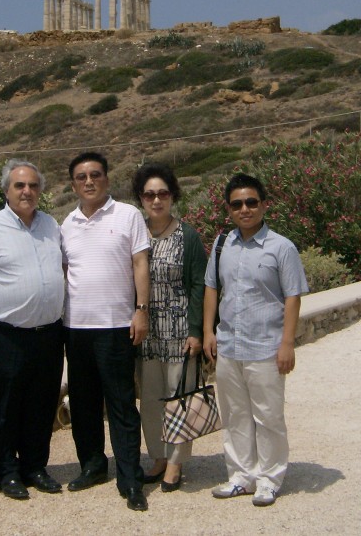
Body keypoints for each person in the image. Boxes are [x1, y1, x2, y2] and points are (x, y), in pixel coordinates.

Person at [202, 172, 309, 507]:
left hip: (265, 345)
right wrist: (208, 331)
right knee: (234, 416)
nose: (245, 209)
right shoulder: (222, 245)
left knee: (268, 416)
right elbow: (211, 289)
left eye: (251, 202)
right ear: (229, 209)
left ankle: (269, 479)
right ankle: (241, 476)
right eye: (237, 204)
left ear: (264, 204)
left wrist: (287, 343)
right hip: (229, 344)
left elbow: (293, 296)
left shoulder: (281, 247)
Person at [0, 159, 65, 501]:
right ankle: (6, 473)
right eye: (20, 185)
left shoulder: (51, 225)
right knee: (3, 407)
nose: (27, 191)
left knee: (41, 404)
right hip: (7, 335)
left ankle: (35, 467)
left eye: (33, 185)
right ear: (6, 190)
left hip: (49, 334)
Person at [60, 151, 152, 512]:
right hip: (76, 328)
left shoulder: (128, 215)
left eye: (95, 174)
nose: (88, 181)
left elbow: (140, 263)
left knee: (121, 404)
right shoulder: (65, 223)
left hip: (117, 326)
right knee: (83, 405)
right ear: (73, 184)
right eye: (81, 176)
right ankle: (93, 466)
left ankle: (131, 477)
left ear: (107, 179)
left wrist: (141, 310)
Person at [131, 162, 207, 493]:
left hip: (179, 332)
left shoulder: (187, 236)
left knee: (179, 397)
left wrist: (196, 331)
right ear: (141, 199)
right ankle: (158, 456)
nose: (156, 200)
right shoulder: (136, 235)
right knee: (150, 399)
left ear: (172, 195)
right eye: (149, 195)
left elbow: (198, 286)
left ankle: (176, 462)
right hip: (148, 334)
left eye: (162, 193)